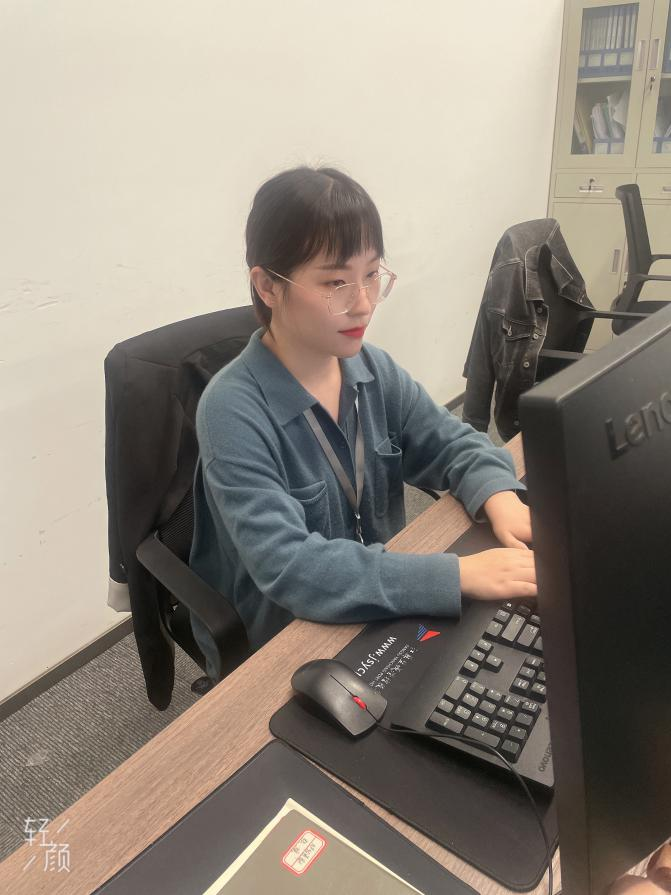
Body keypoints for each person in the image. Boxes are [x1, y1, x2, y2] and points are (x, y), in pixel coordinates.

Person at [189, 166, 536, 680]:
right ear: (268, 286)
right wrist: (457, 575)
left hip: (383, 598)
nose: (364, 303)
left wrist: (499, 496)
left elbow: (454, 444)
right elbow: (293, 569)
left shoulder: (371, 370)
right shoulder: (231, 411)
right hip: (288, 633)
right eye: (336, 282)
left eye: (372, 274)